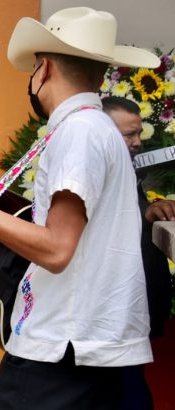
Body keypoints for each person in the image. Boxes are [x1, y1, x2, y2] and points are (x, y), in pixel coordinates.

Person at [0, 8, 160, 409]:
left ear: (42, 70)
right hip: (81, 346)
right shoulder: (90, 127)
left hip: (62, 351)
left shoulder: (79, 132)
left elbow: (56, 250)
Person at [102, 96, 175, 410]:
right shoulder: (95, 172)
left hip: (135, 303)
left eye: (139, 134)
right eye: (128, 135)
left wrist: (150, 209)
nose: (137, 142)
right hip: (114, 309)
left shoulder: (123, 165)